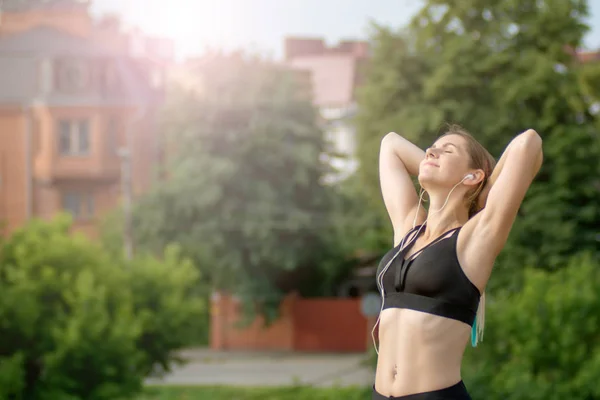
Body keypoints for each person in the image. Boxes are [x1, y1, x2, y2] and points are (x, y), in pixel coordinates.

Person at [372, 125, 543, 399]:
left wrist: (482, 190)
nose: (431, 152)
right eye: (431, 149)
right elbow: (390, 144)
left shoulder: (475, 239)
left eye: (446, 150)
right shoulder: (408, 229)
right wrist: (440, 169)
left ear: (474, 175)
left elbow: (529, 143)